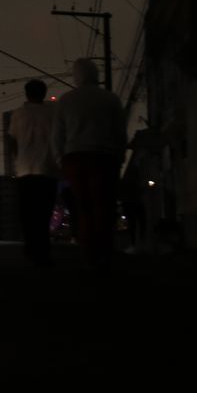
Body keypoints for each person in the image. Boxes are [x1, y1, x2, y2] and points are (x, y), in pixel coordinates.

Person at [52, 58, 127, 270]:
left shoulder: (66, 100)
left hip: (75, 158)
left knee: (83, 206)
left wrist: (61, 159)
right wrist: (119, 156)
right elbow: (120, 132)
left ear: (77, 76)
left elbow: (57, 135)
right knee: (104, 204)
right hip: (105, 157)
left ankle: (89, 252)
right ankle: (105, 250)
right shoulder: (111, 99)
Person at [7, 79, 59, 267]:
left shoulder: (18, 114)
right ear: (44, 93)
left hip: (24, 170)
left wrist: (17, 159)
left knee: (28, 213)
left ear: (26, 93)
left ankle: (30, 250)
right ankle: (43, 251)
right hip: (47, 169)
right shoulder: (53, 113)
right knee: (44, 213)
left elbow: (12, 140)